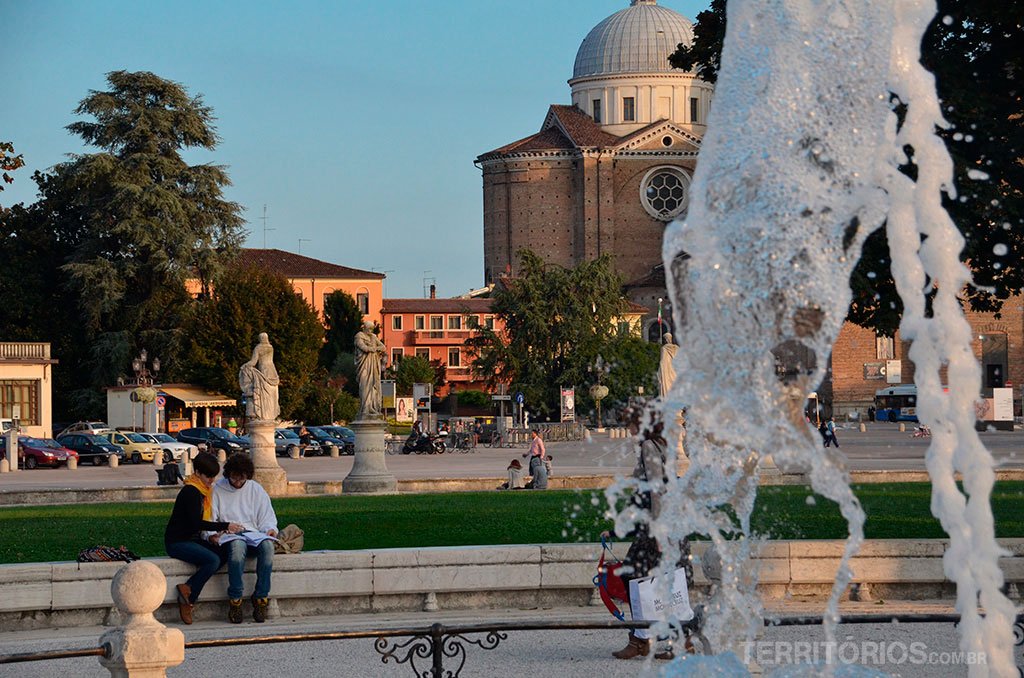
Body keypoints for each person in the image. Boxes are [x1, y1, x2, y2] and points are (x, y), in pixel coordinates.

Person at [610, 410, 693, 661]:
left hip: (659, 526)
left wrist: (658, 532)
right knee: (667, 580)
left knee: (633, 576)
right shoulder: (660, 445)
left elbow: (656, 490)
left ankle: (642, 640)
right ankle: (679, 640)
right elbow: (642, 492)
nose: (630, 431)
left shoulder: (648, 446)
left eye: (632, 426)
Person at [165, 452, 243, 625]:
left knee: (224, 553)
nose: (211, 480)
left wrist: (214, 536)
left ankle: (188, 588)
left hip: (192, 539)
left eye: (213, 476)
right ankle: (190, 597)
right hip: (178, 542)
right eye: (208, 476)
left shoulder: (203, 491)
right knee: (212, 560)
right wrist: (224, 525)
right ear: (198, 472)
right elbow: (196, 523)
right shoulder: (191, 491)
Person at [207, 454, 279, 624]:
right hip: (229, 536)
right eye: (234, 478)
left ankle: (261, 597)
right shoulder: (218, 489)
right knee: (238, 547)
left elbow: (267, 516)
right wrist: (213, 535)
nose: (238, 482)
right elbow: (211, 519)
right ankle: (235, 599)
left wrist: (270, 529)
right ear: (228, 474)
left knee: (268, 547)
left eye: (242, 479)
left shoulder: (255, 489)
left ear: (248, 476)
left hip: (253, 534)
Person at [238, 332, 280, 421]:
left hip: (264, 371)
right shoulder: (270, 347)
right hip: (273, 371)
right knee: (271, 395)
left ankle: (263, 413)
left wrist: (244, 366)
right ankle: (269, 414)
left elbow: (253, 362)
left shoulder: (258, 347)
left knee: (263, 393)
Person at [354, 320, 386, 419]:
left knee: (373, 386)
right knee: (364, 386)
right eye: (369, 329)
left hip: (373, 365)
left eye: (372, 329)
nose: (370, 331)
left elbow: (383, 347)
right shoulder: (359, 336)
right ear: (364, 328)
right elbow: (363, 347)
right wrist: (373, 349)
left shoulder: (373, 337)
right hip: (364, 365)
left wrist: (375, 348)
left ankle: (372, 407)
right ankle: (365, 409)